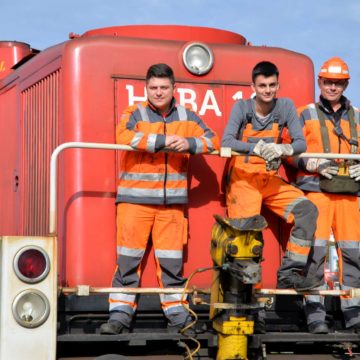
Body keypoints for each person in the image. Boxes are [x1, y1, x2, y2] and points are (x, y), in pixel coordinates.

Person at [100, 63, 219, 335]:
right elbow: (123, 135)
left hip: (172, 207)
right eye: (153, 87)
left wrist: (190, 144)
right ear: (146, 88)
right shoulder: (135, 112)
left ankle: (178, 317)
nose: (158, 92)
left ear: (174, 89)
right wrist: (162, 140)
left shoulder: (188, 115)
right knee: (128, 262)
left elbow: (212, 140)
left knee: (172, 265)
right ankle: (119, 316)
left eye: (164, 87)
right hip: (135, 202)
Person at [221, 61, 320, 294]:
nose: (267, 90)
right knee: (248, 241)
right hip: (243, 181)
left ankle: (289, 274)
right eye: (262, 85)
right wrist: (255, 149)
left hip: (269, 179)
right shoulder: (241, 107)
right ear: (253, 86)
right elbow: (226, 142)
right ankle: (252, 304)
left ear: (278, 85)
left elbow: (300, 143)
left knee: (307, 210)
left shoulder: (285, 107)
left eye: (272, 85)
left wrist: (283, 150)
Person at [291, 57, 360, 334]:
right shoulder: (304, 114)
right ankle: (315, 313)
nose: (332, 87)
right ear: (319, 82)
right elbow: (290, 150)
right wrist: (311, 163)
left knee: (353, 253)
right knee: (313, 254)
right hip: (315, 191)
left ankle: (353, 311)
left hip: (349, 194)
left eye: (338, 82)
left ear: (345, 84)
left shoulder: (357, 115)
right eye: (328, 81)